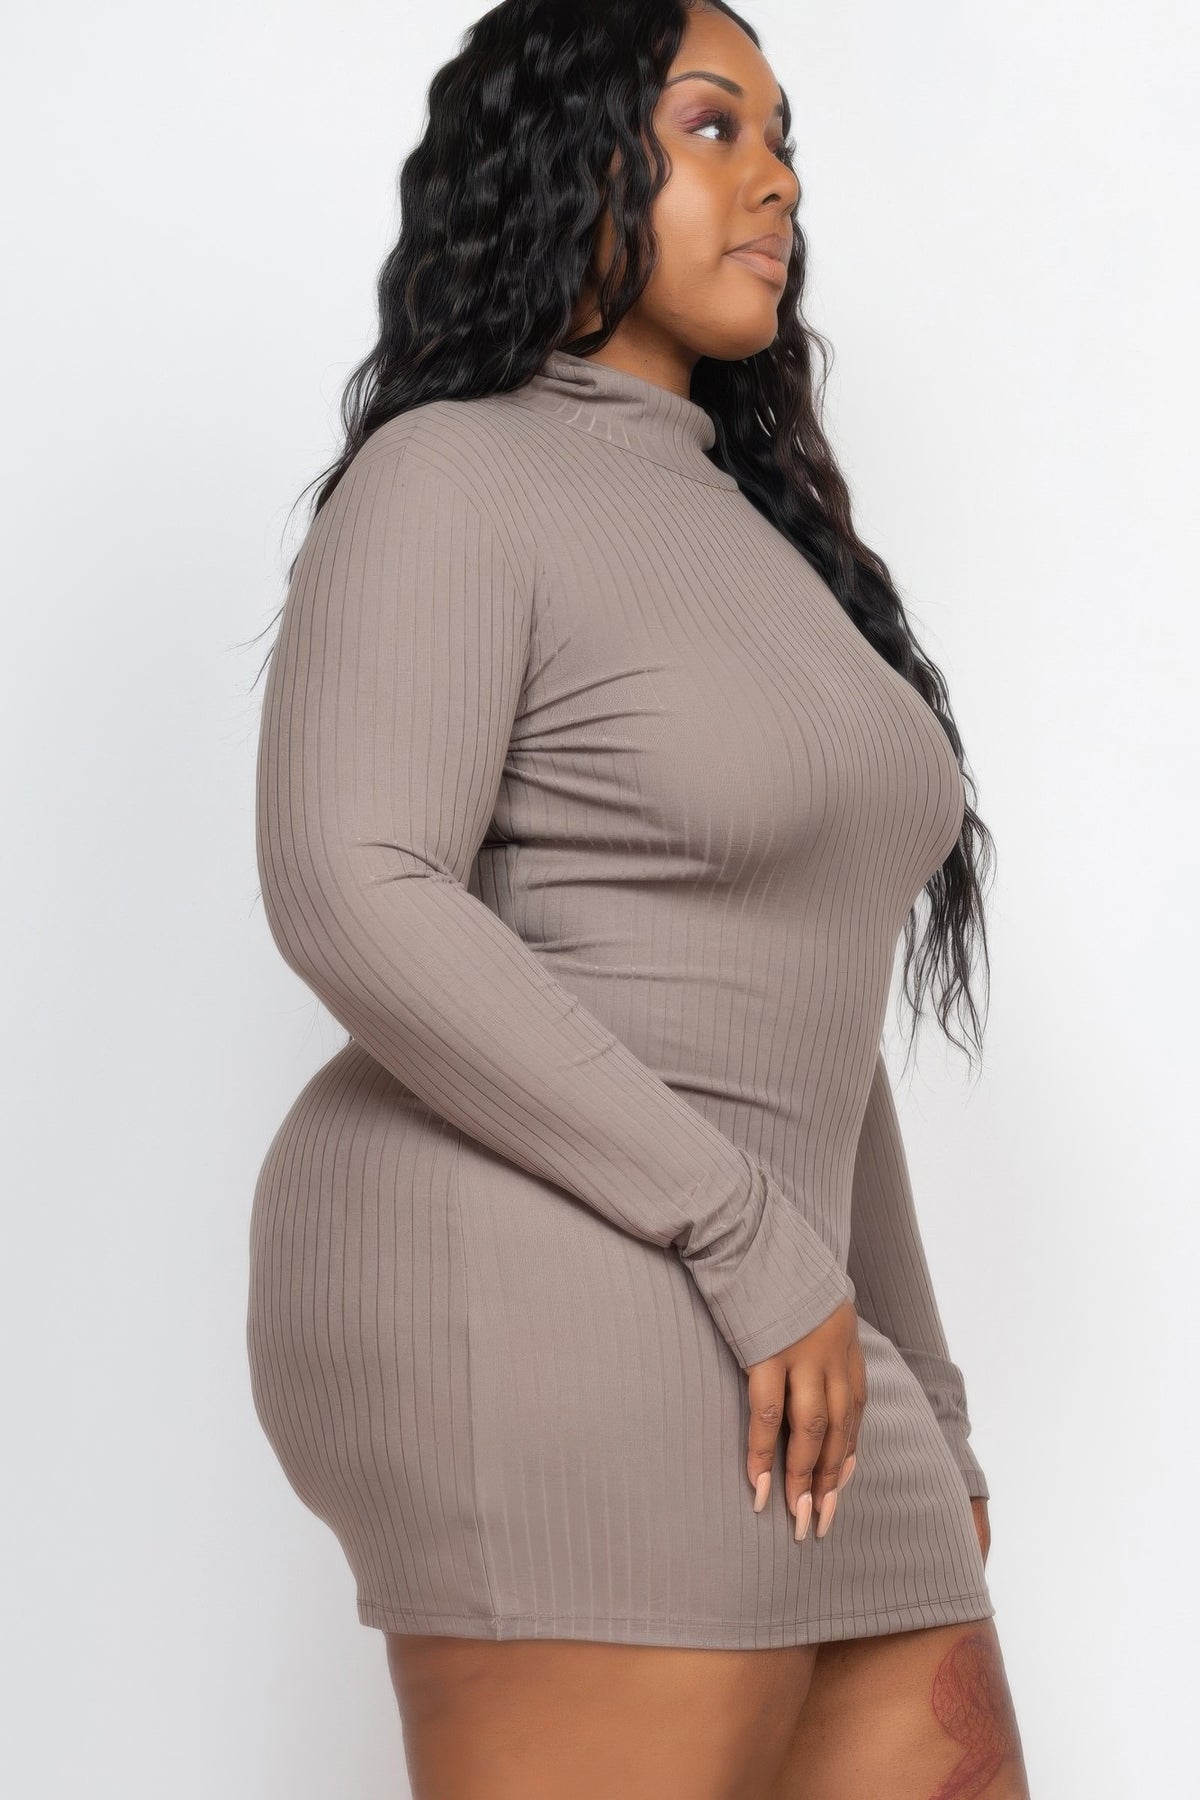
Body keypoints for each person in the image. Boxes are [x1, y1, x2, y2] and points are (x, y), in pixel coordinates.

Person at [245, 1, 1031, 1793]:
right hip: (547, 1274)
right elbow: (352, 882)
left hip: (783, 1303)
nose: (777, 178)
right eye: (711, 126)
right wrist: (746, 1237)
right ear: (562, 158)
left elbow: (814, 999)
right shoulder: (453, 473)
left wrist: (925, 1385)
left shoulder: (761, 533)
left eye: (783, 135)